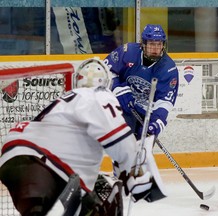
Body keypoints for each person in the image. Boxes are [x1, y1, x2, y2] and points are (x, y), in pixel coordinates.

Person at [0, 57, 165, 216]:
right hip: (45, 163)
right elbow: (119, 139)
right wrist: (136, 172)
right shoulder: (98, 95)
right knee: (105, 192)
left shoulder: (66, 100)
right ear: (107, 83)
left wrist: (125, 170)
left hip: (13, 156)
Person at [104, 24, 179, 140]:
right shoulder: (128, 52)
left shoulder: (168, 68)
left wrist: (156, 122)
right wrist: (118, 89)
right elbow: (105, 70)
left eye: (159, 44)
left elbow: (165, 101)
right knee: (125, 150)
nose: (155, 49)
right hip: (125, 108)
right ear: (143, 44)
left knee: (143, 154)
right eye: (152, 44)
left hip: (148, 114)